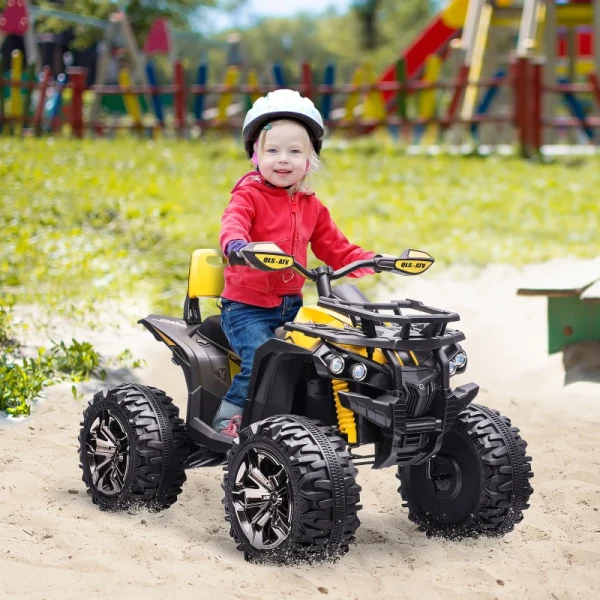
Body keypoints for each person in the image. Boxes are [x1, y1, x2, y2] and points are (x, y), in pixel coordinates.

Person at [212, 89, 376, 437]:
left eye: (294, 151)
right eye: (272, 150)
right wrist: (236, 245)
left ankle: (309, 423)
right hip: (246, 307)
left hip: (293, 306)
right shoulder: (248, 195)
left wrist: (371, 261)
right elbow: (233, 224)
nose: (282, 159)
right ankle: (228, 420)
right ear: (255, 156)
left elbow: (337, 249)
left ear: (309, 159)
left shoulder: (311, 206)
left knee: (323, 358)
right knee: (260, 357)